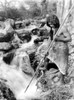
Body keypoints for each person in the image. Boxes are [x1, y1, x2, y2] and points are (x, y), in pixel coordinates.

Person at [45, 14, 71, 83]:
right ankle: (52, 76)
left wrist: (59, 38)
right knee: (50, 59)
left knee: (62, 65)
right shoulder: (51, 29)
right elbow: (50, 40)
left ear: (55, 22)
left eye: (52, 24)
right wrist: (47, 49)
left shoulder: (62, 28)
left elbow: (69, 38)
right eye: (49, 24)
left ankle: (62, 81)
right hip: (55, 49)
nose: (51, 25)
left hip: (62, 49)